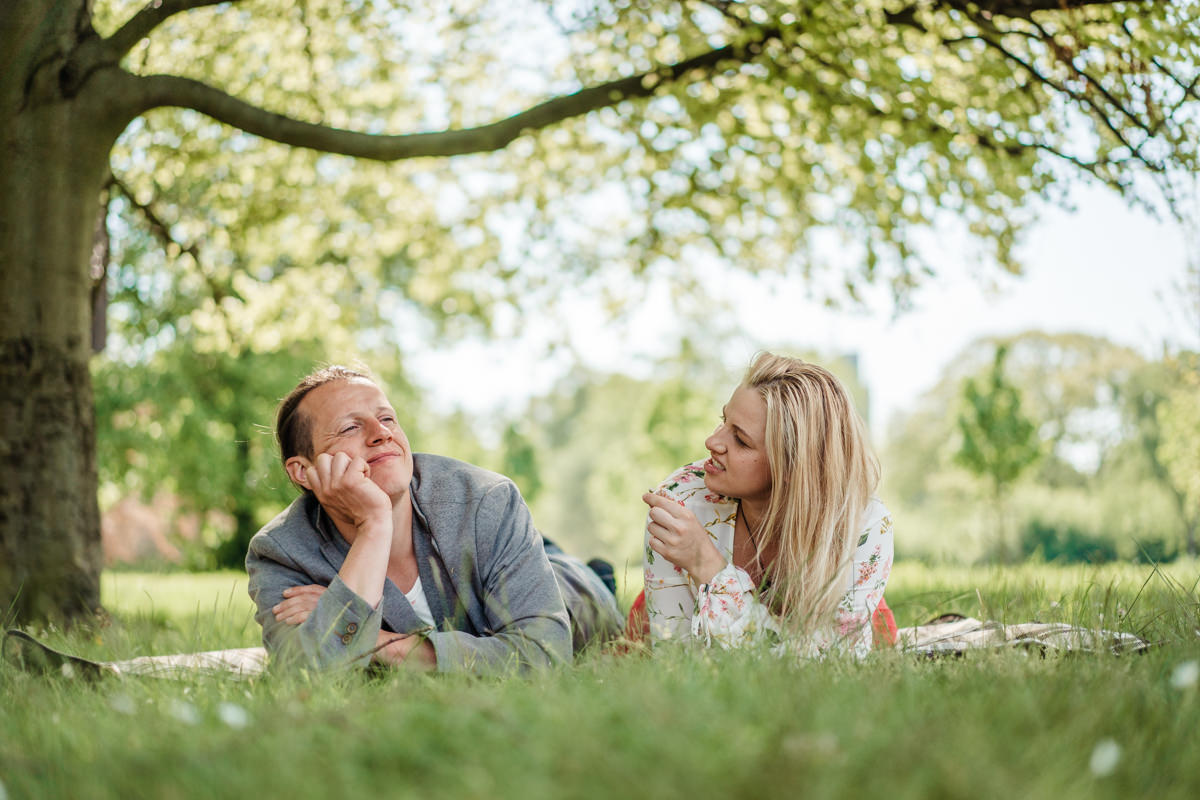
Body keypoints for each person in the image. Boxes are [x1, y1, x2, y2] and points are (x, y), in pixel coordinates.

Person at [246, 365, 622, 673]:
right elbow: (304, 672)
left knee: (574, 576)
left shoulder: (486, 499)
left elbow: (542, 657)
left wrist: (370, 640)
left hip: (572, 589)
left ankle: (594, 571)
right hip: (487, 568)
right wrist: (374, 525)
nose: (382, 434)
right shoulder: (280, 551)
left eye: (387, 418)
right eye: (350, 427)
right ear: (302, 471)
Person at [633, 352, 894, 657]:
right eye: (723, 421)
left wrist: (710, 568)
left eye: (741, 440)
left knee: (885, 634)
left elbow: (828, 669)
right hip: (670, 607)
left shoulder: (863, 527)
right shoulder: (682, 500)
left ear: (793, 468)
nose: (712, 442)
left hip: (861, 614)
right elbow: (677, 660)